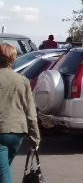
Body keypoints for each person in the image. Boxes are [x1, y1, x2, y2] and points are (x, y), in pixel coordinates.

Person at [0, 43, 40, 183]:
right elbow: (30, 111)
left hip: (1, 131)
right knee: (4, 168)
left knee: (3, 173)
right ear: (13, 59)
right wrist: (34, 137)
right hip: (16, 133)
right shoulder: (22, 81)